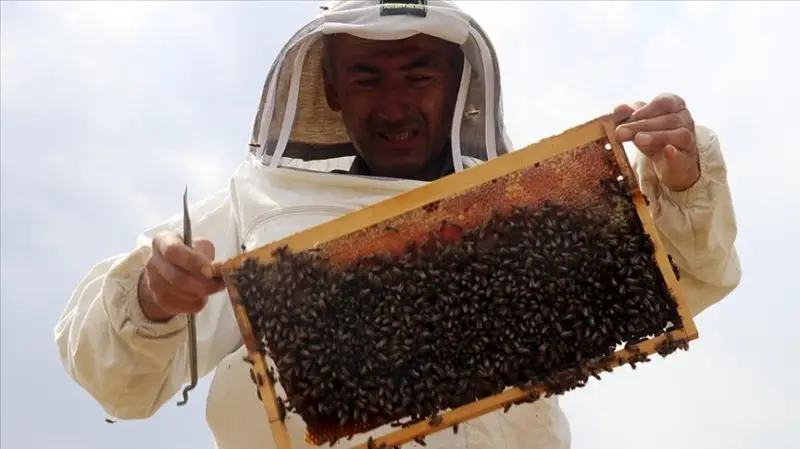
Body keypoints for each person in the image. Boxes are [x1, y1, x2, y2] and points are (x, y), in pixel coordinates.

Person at [54, 1, 742, 448]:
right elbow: (119, 380)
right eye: (366, 77)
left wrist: (680, 180)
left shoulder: (524, 211)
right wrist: (147, 301)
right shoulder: (258, 209)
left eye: (417, 75)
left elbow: (683, 277)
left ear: (457, 82)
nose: (393, 103)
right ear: (328, 87)